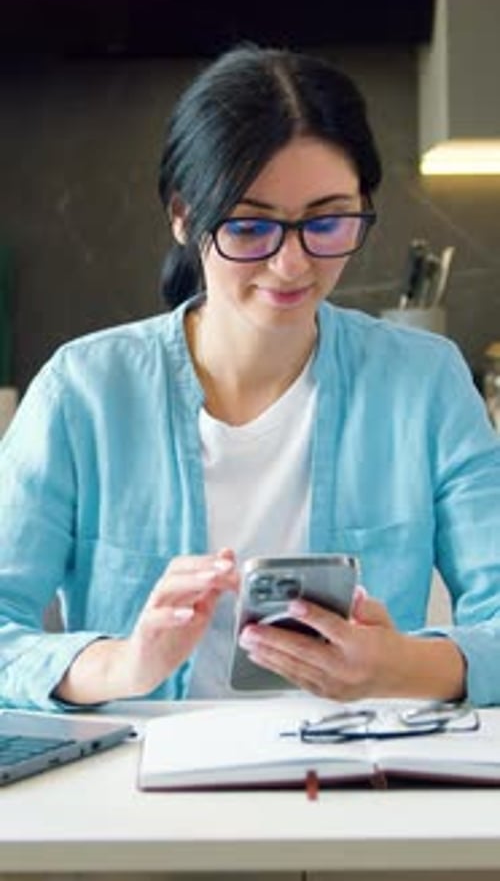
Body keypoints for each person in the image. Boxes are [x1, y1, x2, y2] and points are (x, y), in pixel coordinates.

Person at [1, 43, 500, 712]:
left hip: (364, 778)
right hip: (134, 793)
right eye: (249, 226)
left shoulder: (424, 382)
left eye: (326, 222)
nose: (292, 265)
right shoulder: (84, 391)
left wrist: (402, 665)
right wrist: (124, 664)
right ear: (184, 216)